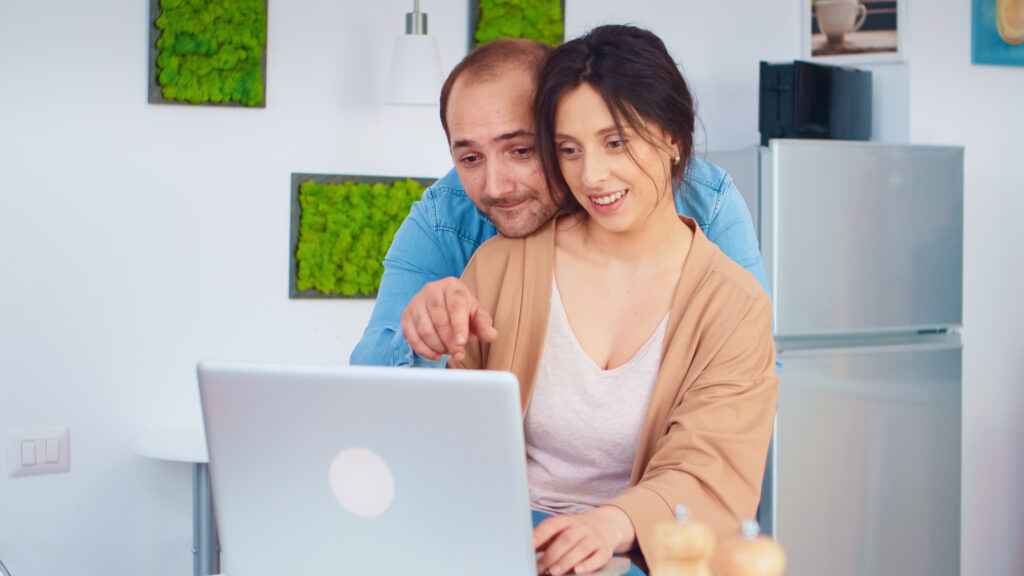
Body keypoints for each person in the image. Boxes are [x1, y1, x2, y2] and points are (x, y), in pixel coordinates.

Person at [446, 25, 778, 576]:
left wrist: (607, 525)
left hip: (632, 554)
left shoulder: (733, 305)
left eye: (616, 141)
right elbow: (454, 434)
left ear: (673, 136)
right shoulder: (502, 266)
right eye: (569, 150)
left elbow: (709, 468)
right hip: (501, 547)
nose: (592, 175)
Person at [349, 37, 768, 368]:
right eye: (470, 158)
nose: (495, 186)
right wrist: (423, 340)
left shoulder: (703, 199)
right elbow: (370, 381)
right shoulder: (445, 216)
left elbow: (756, 374)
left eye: (521, 150)